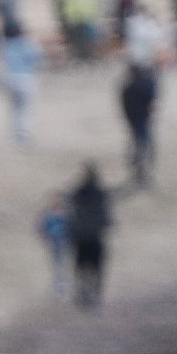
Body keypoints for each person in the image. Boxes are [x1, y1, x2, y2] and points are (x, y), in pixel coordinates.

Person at [67, 165, 113, 310]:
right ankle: (95, 296)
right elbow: (105, 216)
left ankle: (84, 294)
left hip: (82, 237)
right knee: (96, 269)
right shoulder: (100, 194)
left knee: (81, 268)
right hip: (93, 237)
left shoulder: (78, 193)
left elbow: (72, 211)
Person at [0, 24, 43, 147]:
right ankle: (23, 136)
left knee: (15, 109)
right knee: (25, 109)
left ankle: (15, 134)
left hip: (8, 78)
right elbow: (37, 59)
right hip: (25, 78)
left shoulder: (4, 45)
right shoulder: (26, 44)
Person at [119, 64, 159, 190]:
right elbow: (152, 100)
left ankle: (138, 170)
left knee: (137, 145)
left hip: (133, 120)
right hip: (142, 120)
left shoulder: (127, 88)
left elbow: (124, 106)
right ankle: (142, 172)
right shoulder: (143, 86)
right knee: (145, 147)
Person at [36, 195, 72, 301]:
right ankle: (59, 286)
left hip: (62, 241)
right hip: (55, 241)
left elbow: (71, 228)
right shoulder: (49, 216)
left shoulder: (64, 216)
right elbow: (42, 228)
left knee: (61, 263)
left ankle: (62, 285)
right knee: (58, 264)